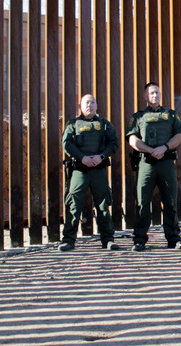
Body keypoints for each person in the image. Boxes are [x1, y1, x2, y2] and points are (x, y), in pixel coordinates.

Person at [127, 82, 181, 251]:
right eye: (152, 93)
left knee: (170, 200)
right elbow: (132, 139)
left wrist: (164, 147)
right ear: (145, 96)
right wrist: (149, 150)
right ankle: (139, 239)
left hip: (166, 162)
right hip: (146, 163)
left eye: (158, 93)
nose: (155, 95)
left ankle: (174, 238)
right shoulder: (138, 117)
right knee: (142, 201)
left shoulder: (170, 115)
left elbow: (180, 135)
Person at [59, 94, 120, 251]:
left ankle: (108, 239)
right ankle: (68, 240)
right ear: (80, 106)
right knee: (73, 204)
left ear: (97, 106)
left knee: (103, 204)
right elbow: (67, 144)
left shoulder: (105, 125)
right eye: (86, 103)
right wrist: (82, 158)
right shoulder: (73, 124)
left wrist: (101, 156)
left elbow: (113, 144)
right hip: (80, 169)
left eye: (93, 102)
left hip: (99, 170)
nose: (90, 105)